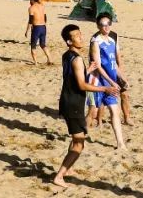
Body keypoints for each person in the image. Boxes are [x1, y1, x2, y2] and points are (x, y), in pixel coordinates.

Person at [53, 24, 119, 188]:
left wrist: (88, 69)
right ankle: (59, 176)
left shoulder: (67, 55)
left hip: (68, 101)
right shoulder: (76, 59)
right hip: (73, 104)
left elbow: (73, 78)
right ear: (69, 41)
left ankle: (68, 169)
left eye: (80, 34)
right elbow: (82, 85)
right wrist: (105, 88)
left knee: (78, 137)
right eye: (76, 36)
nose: (80, 37)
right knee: (79, 143)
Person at [87, 13, 128, 149]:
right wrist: (111, 82)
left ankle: (120, 143)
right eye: (103, 25)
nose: (106, 27)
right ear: (98, 26)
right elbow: (98, 66)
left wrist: (121, 78)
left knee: (114, 111)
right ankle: (80, 136)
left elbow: (114, 63)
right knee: (92, 112)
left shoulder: (112, 41)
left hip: (111, 82)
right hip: (97, 81)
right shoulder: (95, 41)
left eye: (108, 24)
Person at [24, 0, 52, 65]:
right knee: (43, 44)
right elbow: (45, 18)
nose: (29, 0)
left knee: (33, 46)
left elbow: (30, 21)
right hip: (43, 27)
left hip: (36, 28)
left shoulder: (31, 8)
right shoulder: (42, 6)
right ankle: (49, 59)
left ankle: (36, 63)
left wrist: (27, 31)